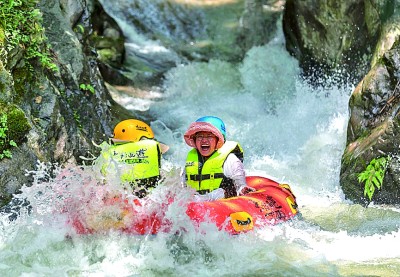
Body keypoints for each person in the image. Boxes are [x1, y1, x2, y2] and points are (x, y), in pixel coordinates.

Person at [182, 116, 254, 201]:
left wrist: (242, 188)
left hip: (222, 203)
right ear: (194, 140)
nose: (204, 141)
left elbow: (240, 185)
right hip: (196, 205)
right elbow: (183, 185)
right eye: (200, 137)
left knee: (219, 192)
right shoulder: (192, 160)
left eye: (209, 136)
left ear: (218, 140)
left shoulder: (230, 159)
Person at [99, 119, 169, 198]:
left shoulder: (108, 153)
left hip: (118, 198)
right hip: (148, 199)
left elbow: (103, 180)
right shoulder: (152, 148)